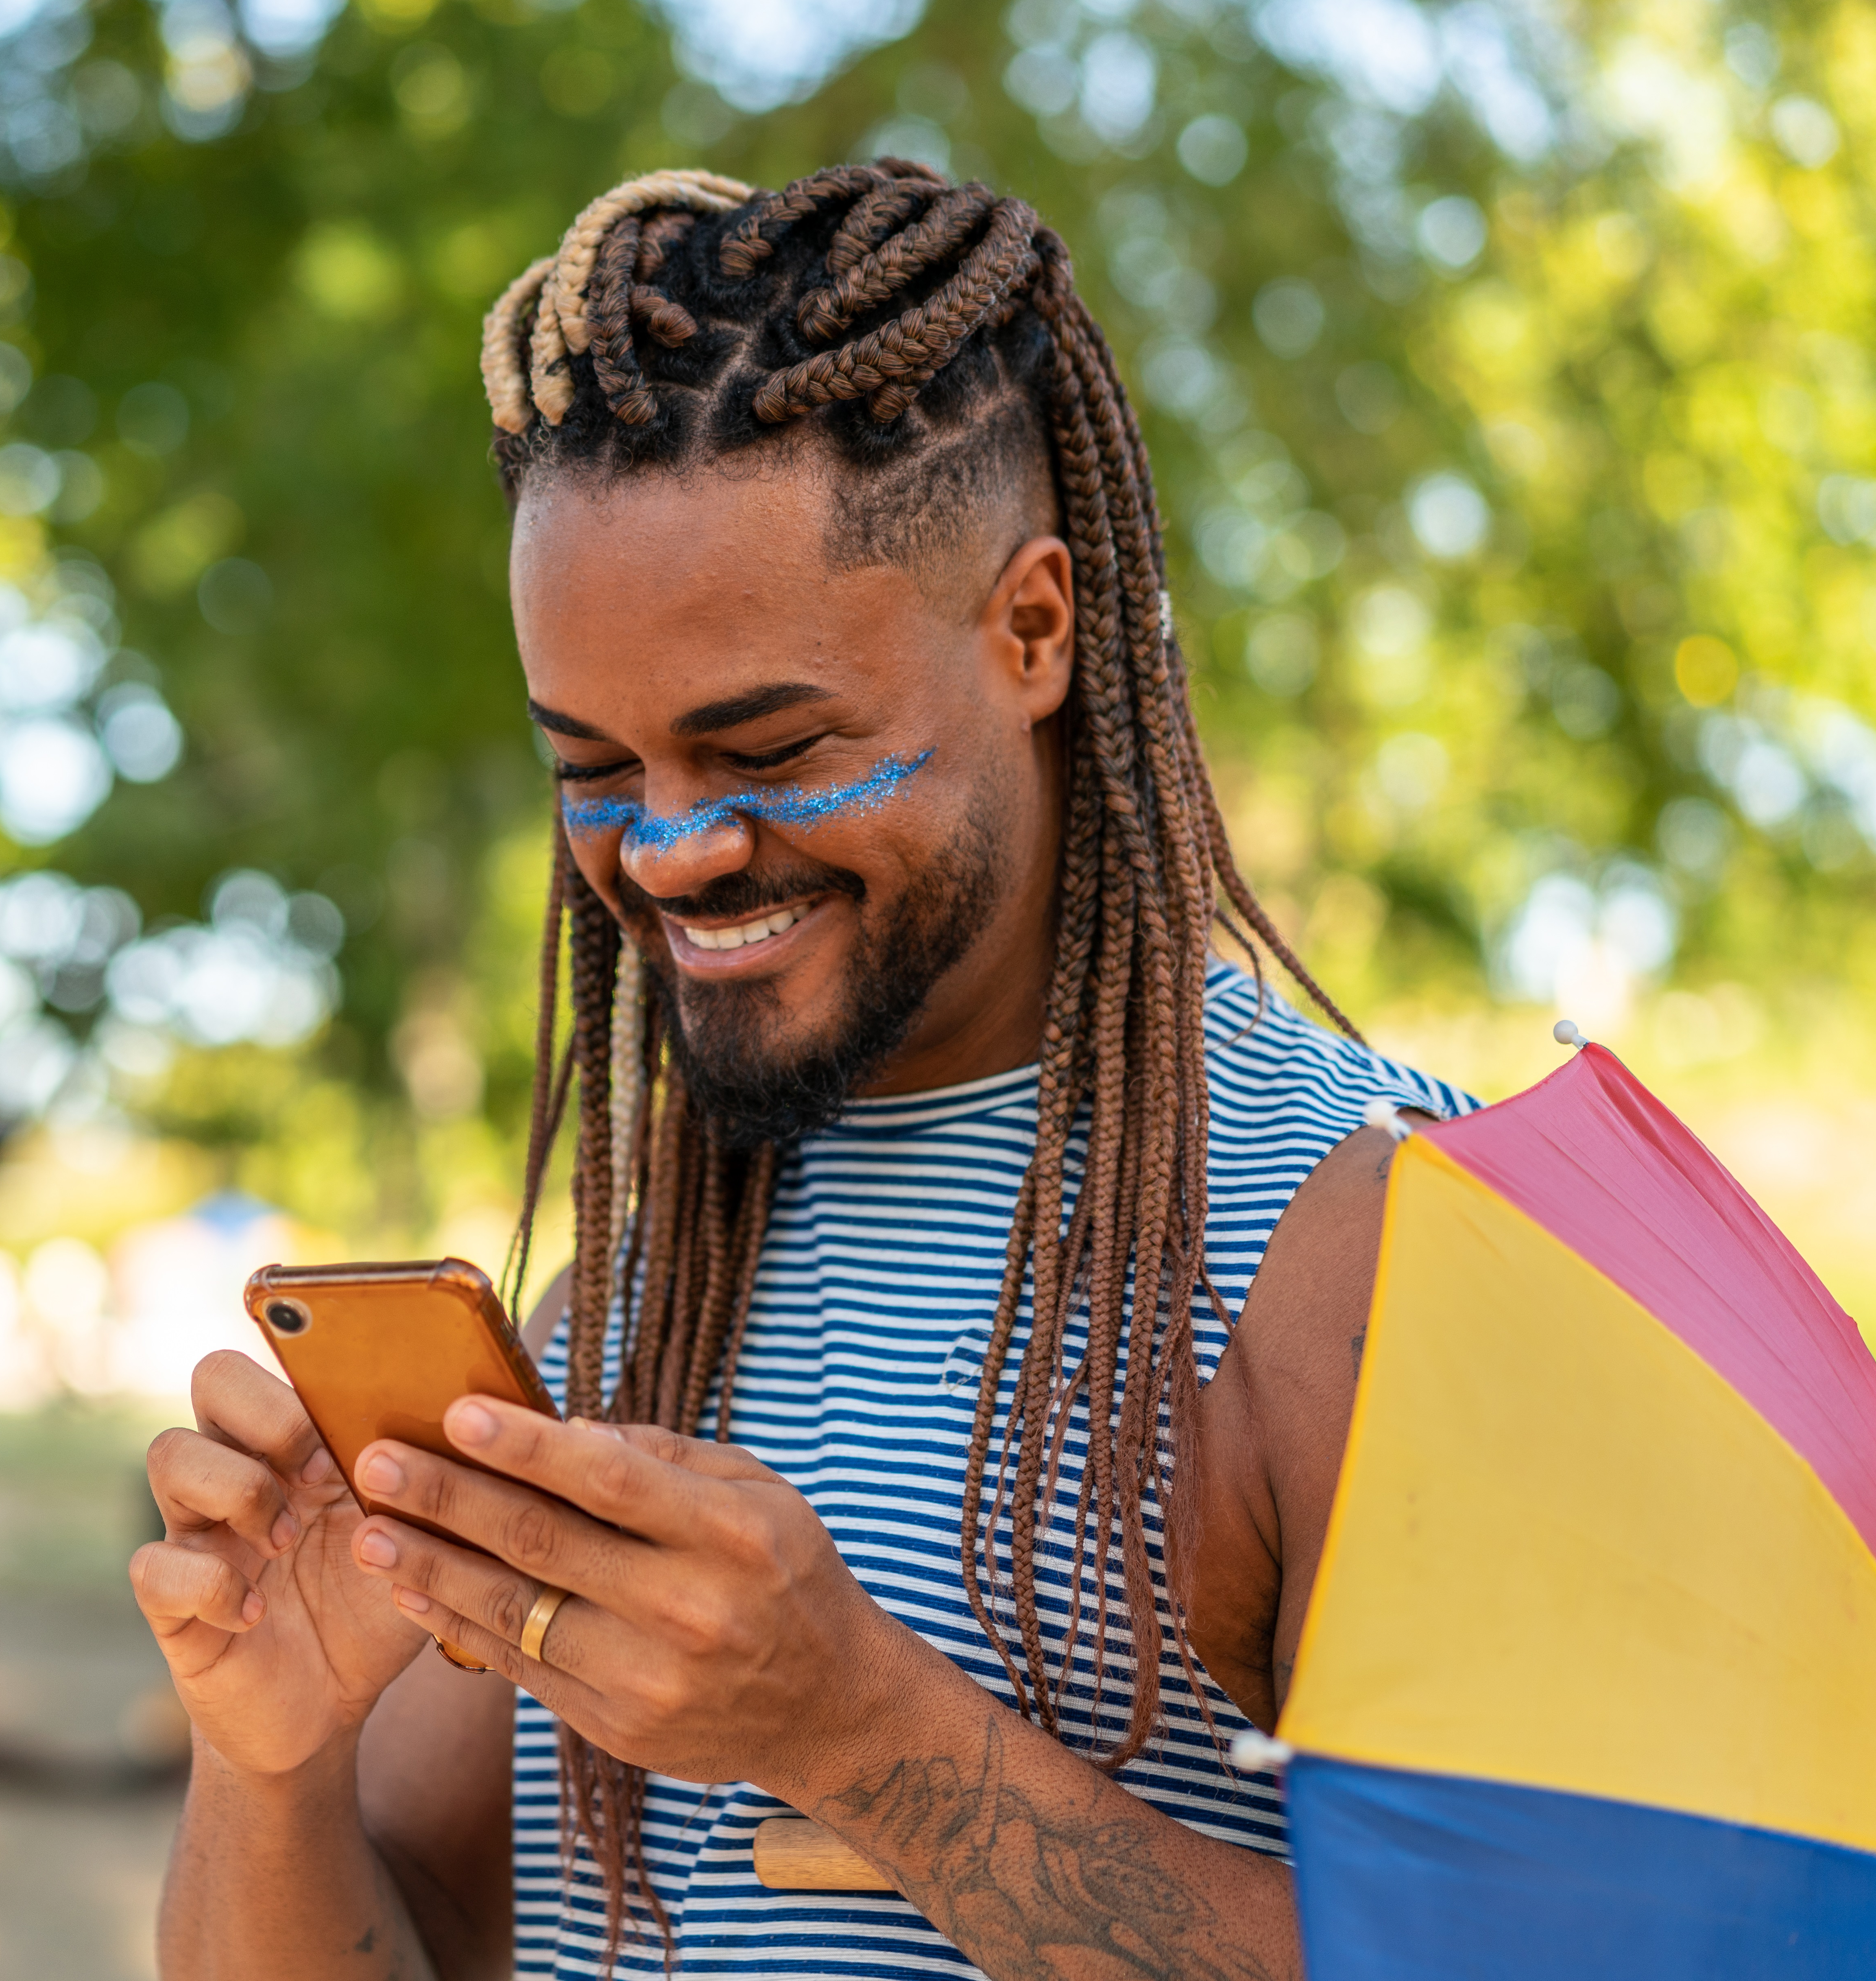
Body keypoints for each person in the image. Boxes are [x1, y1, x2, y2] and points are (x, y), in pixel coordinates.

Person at [131, 160, 1477, 1980]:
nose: (671, 848)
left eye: (765, 748)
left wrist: (859, 1732)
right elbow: (423, 1934)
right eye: (593, 768)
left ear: (1032, 631)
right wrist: (269, 1762)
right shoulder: (627, 1304)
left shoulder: (1365, 1242)